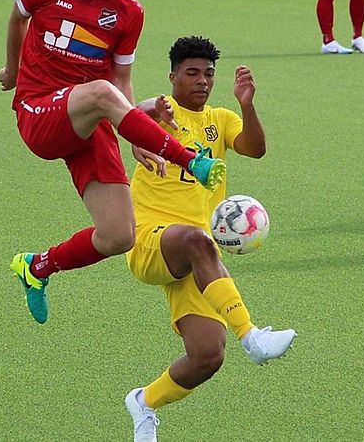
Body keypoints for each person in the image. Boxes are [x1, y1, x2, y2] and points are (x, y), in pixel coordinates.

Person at [0, 0, 227, 325]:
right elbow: (18, 18)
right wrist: (13, 72)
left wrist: (135, 134)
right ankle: (190, 160)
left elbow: (122, 79)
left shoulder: (128, 12)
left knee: (120, 236)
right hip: (39, 110)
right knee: (102, 92)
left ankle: (36, 267)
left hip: (91, 115)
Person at [123, 36, 297, 442]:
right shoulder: (161, 112)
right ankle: (251, 336)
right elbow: (133, 114)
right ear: (173, 76)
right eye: (192, 73)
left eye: (208, 73)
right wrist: (147, 114)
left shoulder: (220, 118)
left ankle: (144, 402)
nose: (202, 80)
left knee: (207, 355)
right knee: (199, 240)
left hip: (196, 256)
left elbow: (255, 149)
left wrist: (247, 105)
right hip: (148, 239)